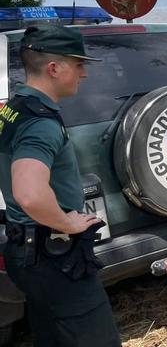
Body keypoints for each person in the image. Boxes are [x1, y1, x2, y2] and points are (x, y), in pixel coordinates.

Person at [0, 25, 120, 346]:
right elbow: (30, 193)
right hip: (52, 257)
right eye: (79, 65)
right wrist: (67, 222)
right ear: (54, 68)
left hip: (26, 251)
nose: (84, 74)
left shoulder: (14, 109)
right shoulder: (40, 123)